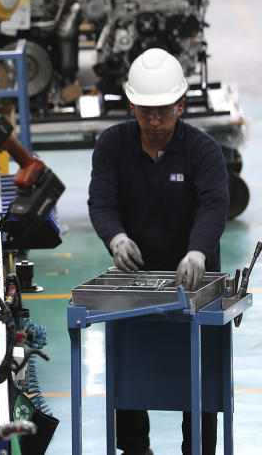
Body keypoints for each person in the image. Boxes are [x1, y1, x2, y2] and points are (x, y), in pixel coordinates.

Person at [88, 48, 229, 455]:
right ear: (131, 105)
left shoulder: (203, 151)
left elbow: (214, 204)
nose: (153, 122)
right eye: (145, 112)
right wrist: (114, 237)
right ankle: (135, 450)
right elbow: (102, 203)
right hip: (136, 283)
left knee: (200, 391)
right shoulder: (112, 146)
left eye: (163, 112)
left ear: (180, 105)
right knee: (130, 380)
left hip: (195, 284)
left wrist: (199, 251)